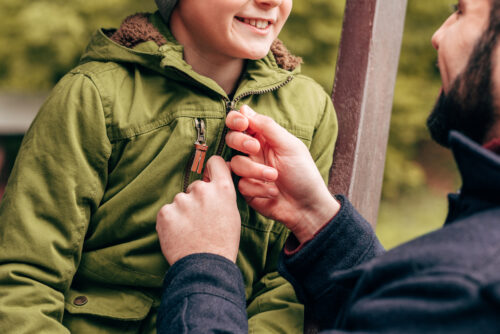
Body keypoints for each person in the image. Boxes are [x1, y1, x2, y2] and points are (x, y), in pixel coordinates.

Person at [156, 0, 500, 332]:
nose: (438, 35)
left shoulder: (469, 287)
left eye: (461, 11)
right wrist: (316, 218)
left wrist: (203, 265)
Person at [0, 0, 338, 333]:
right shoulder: (93, 97)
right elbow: (25, 279)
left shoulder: (310, 112)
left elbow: (289, 285)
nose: (272, 1)